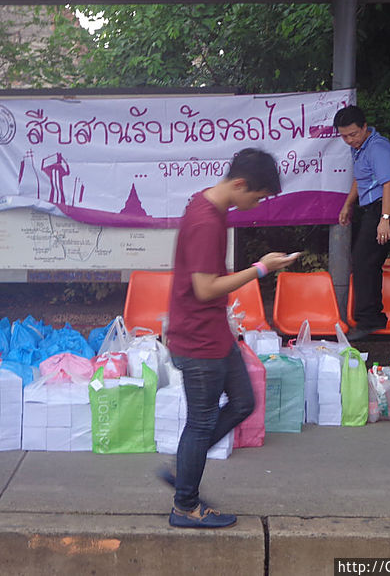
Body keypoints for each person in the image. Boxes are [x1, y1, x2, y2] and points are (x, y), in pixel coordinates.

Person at [162, 148, 300, 529]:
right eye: (255, 197)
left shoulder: (208, 204)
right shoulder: (207, 220)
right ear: (239, 183)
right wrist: (260, 268)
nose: (256, 205)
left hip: (215, 333)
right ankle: (185, 506)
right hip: (197, 340)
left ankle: (186, 466)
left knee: (243, 401)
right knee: (201, 423)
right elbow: (205, 289)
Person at [335, 105, 390, 342]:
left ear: (365, 127)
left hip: (385, 207)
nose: (349, 140)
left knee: (365, 260)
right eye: (344, 136)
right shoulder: (359, 149)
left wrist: (385, 219)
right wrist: (348, 204)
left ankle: (370, 319)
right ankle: (371, 317)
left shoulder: (378, 147)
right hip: (373, 208)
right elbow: (360, 178)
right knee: (366, 261)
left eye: (353, 134)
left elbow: (389, 185)